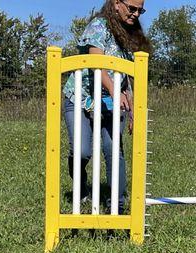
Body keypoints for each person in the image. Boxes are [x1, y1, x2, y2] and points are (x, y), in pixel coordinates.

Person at [63, 0, 150, 214]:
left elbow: (133, 75)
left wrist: (135, 111)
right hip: (80, 98)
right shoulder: (98, 26)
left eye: (140, 10)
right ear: (116, 3)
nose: (136, 14)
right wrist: (113, 90)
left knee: (113, 149)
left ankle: (117, 206)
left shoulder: (132, 34)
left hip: (113, 102)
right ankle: (81, 187)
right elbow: (97, 65)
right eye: (132, 8)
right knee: (82, 151)